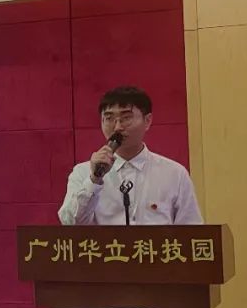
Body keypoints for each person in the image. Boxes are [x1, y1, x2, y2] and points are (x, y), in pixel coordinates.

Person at [59, 86, 202, 225]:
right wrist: (94, 179)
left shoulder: (174, 173)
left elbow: (191, 228)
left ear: (147, 121)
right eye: (109, 118)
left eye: (126, 118)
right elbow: (70, 223)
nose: (117, 127)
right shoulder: (83, 172)